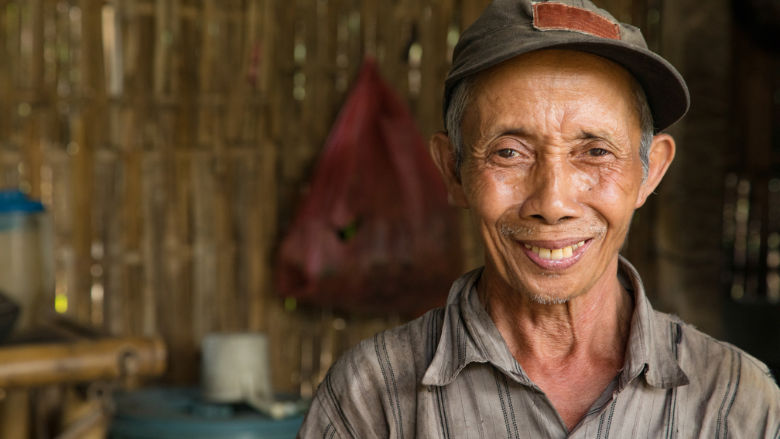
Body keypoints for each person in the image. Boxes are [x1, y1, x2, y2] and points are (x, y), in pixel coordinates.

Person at [297, 0, 780, 437]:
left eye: (594, 152)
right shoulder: (371, 398)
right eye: (509, 152)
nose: (552, 201)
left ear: (650, 172)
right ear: (453, 171)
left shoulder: (737, 402)